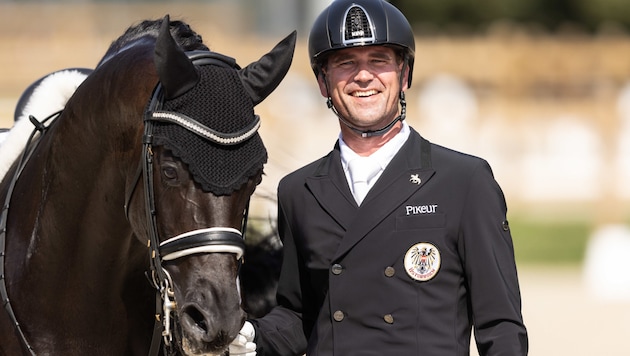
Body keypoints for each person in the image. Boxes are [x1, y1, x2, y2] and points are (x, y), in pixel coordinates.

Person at [230, 0, 528, 355]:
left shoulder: (465, 182)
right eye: (345, 63)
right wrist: (251, 336)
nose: (363, 75)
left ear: (404, 75)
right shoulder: (298, 191)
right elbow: (300, 314)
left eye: (379, 60)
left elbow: (501, 326)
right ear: (323, 82)